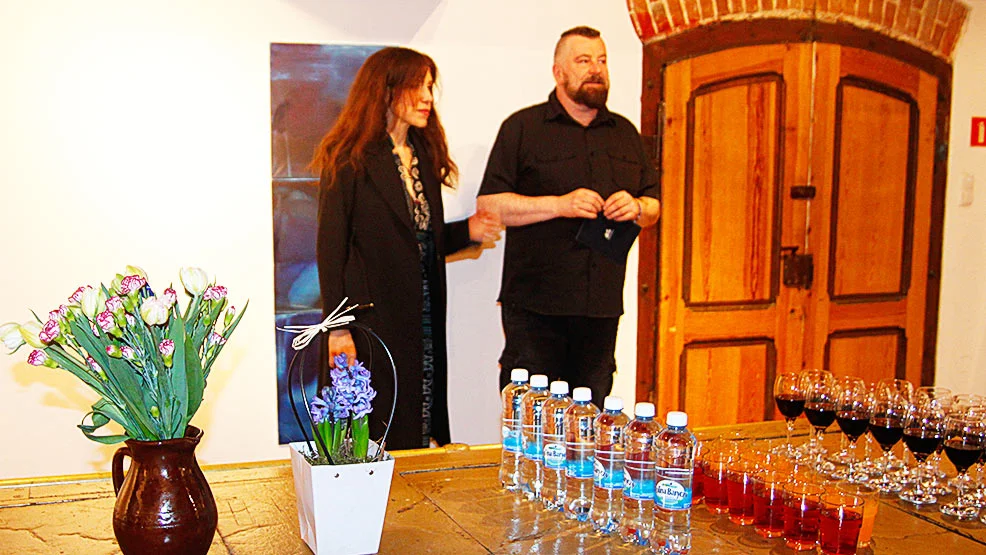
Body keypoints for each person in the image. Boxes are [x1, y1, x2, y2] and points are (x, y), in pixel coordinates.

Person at [313, 47, 501, 450]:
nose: (428, 97)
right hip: (371, 321)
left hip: (422, 315)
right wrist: (337, 329)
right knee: (375, 431)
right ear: (386, 90)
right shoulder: (347, 157)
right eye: (418, 86)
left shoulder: (423, 155)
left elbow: (419, 241)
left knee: (420, 422)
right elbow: (331, 251)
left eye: (431, 87)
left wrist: (467, 231)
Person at [477, 26, 661, 408]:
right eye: (584, 60)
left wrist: (638, 207)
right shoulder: (522, 128)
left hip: (601, 310)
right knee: (531, 419)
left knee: (591, 421)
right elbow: (490, 206)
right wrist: (559, 205)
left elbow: (654, 205)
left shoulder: (626, 133)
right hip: (535, 311)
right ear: (558, 72)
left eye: (602, 61)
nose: (596, 69)